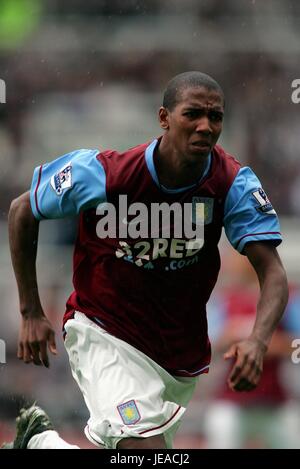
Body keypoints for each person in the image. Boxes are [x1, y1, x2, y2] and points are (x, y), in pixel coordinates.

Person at [6, 71, 288, 449]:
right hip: (104, 332)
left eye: (215, 117)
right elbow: (22, 210)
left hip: (176, 355)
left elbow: (273, 273)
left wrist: (257, 340)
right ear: (163, 118)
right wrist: (30, 312)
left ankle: (40, 446)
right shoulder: (106, 173)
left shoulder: (232, 184)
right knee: (145, 451)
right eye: (193, 114)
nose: (206, 126)